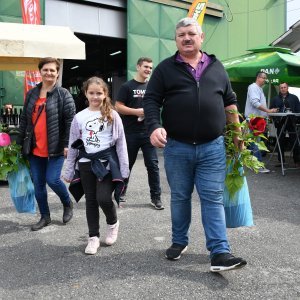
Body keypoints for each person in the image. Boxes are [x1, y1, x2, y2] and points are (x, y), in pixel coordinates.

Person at [143, 17, 247, 272]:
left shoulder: (216, 67)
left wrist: (237, 134)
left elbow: (230, 101)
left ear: (201, 37)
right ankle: (179, 241)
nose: (186, 38)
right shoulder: (165, 69)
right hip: (177, 146)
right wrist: (155, 126)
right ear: (176, 40)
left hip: (212, 146)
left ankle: (220, 252)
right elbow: (151, 101)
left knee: (212, 197)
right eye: (181, 35)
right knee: (180, 197)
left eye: (191, 33)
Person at [63, 77, 129, 255]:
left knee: (104, 198)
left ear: (105, 94)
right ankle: (93, 237)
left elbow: (121, 143)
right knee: (90, 201)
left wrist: (124, 169)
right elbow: (73, 144)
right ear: (86, 93)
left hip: (106, 163)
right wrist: (69, 169)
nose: (95, 96)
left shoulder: (112, 115)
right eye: (91, 93)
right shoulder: (79, 117)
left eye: (99, 93)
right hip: (85, 164)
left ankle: (113, 223)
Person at [17, 57, 75, 231]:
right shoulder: (32, 94)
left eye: (52, 70)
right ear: (40, 71)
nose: (49, 73)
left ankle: (67, 203)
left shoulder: (63, 94)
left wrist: (67, 144)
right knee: (38, 184)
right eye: (46, 69)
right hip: (35, 148)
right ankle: (45, 216)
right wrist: (20, 144)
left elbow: (70, 121)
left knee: (53, 179)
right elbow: (25, 120)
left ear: (57, 73)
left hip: (56, 147)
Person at [115, 57, 163, 210]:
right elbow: (118, 107)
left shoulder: (152, 87)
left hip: (149, 133)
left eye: (150, 67)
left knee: (153, 166)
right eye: (146, 67)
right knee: (126, 165)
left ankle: (156, 198)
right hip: (130, 133)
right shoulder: (127, 87)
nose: (148, 70)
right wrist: (137, 111)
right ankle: (120, 194)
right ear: (138, 67)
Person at [244, 71, 278, 173]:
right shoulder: (253, 87)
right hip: (254, 119)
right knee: (256, 143)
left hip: (256, 119)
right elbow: (255, 103)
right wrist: (268, 111)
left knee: (253, 143)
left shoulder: (258, 89)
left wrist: (267, 114)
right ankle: (258, 166)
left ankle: (253, 164)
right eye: (264, 78)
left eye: (265, 78)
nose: (265, 80)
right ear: (258, 78)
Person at [270, 82, 300, 165]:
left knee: (295, 141)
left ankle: (297, 160)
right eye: (281, 87)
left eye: (284, 87)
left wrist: (296, 119)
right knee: (280, 141)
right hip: (280, 122)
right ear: (279, 89)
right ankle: (281, 161)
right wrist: (276, 119)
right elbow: (271, 110)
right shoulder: (275, 99)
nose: (283, 89)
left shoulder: (294, 98)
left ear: (287, 88)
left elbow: (298, 109)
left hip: (291, 122)